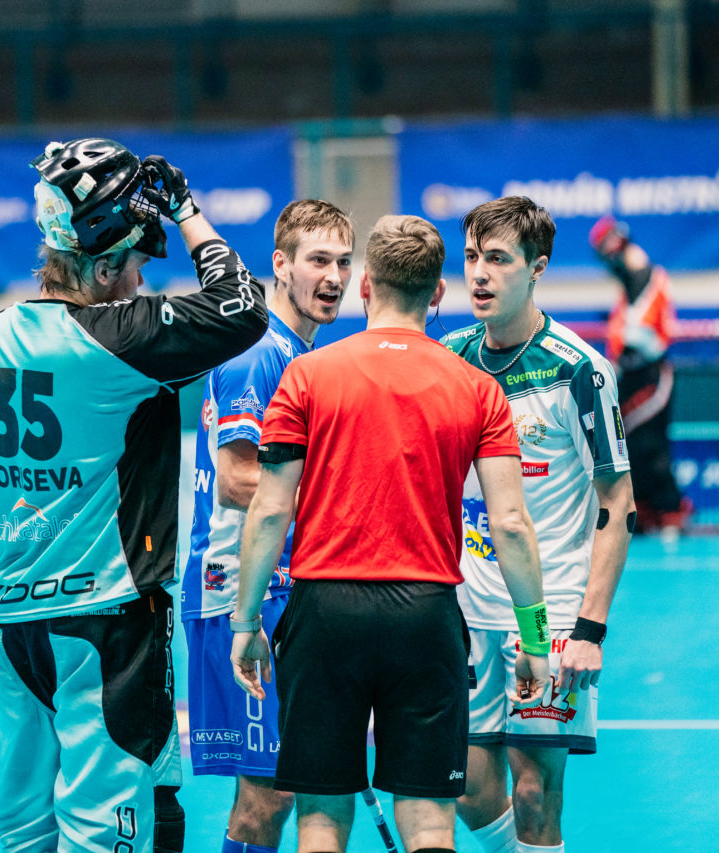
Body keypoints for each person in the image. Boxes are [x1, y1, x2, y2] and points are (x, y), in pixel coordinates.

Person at [0, 138, 267, 853]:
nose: (140, 280)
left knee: (28, 831)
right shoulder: (121, 340)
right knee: (114, 832)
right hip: (108, 624)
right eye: (135, 265)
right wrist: (184, 210)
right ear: (101, 263)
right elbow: (243, 308)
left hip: (12, 629)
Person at [230, 214, 552, 853]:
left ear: (367, 284)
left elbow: (268, 510)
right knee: (430, 822)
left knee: (321, 818)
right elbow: (512, 524)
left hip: (323, 614)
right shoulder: (479, 390)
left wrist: (245, 624)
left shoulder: (308, 375)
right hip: (426, 617)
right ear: (437, 293)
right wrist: (536, 637)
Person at [442, 197, 635, 853]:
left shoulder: (579, 369)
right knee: (465, 785)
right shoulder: (450, 359)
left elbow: (618, 505)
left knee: (533, 795)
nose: (480, 274)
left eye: (497, 259)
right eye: (471, 257)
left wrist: (590, 629)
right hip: (466, 613)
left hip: (547, 619)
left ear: (538, 268)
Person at [182, 199, 355, 853]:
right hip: (239, 589)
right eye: (317, 260)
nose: (333, 275)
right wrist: (348, 497)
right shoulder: (258, 349)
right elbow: (236, 478)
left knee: (292, 785)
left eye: (343, 261)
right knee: (269, 793)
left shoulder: (301, 352)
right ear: (280, 265)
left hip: (285, 586)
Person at [589, 215, 691, 538]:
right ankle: (645, 508)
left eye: (610, 248)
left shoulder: (648, 277)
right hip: (630, 378)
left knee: (648, 444)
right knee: (627, 444)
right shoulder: (626, 292)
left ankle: (671, 510)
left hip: (651, 376)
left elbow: (643, 336)